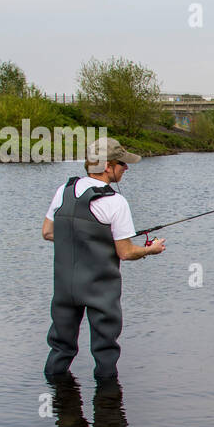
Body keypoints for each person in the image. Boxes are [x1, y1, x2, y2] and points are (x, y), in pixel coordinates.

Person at [42, 137, 166, 380]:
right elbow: (126, 252)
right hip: (100, 290)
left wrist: (84, 239)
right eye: (122, 164)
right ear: (108, 166)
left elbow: (48, 232)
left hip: (65, 287)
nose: (126, 168)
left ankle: (58, 404)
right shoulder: (115, 202)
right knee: (105, 352)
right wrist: (150, 250)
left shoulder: (64, 190)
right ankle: (109, 409)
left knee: (61, 348)